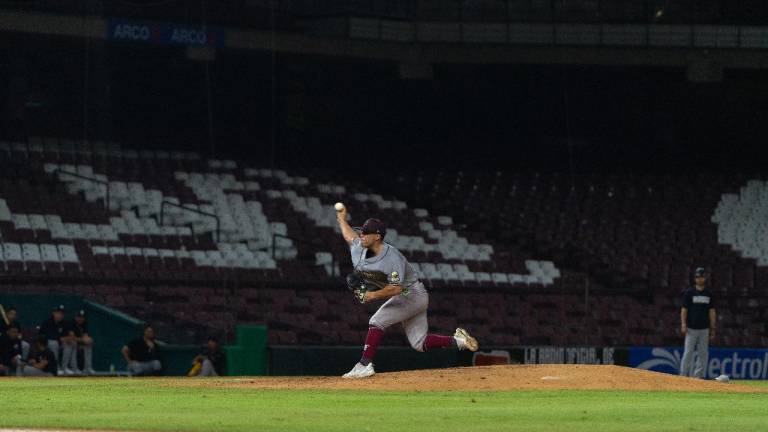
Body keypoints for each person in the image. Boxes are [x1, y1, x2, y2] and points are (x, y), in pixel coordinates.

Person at [336, 207, 479, 379]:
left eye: (366, 233)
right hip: (408, 297)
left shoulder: (392, 258)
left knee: (376, 321)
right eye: (362, 232)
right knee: (420, 343)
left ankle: (364, 365)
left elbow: (396, 288)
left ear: (377, 237)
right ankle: (459, 341)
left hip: (411, 295)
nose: (362, 235)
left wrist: (372, 296)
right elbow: (348, 235)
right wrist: (342, 219)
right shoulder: (358, 246)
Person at [680, 267, 717, 378]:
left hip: (704, 328)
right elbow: (684, 309)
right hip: (691, 328)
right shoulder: (689, 292)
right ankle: (683, 375)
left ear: (704, 278)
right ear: (695, 279)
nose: (699, 279)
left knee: (703, 354)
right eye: (697, 277)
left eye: (701, 277)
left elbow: (712, 311)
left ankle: (698, 376)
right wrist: (683, 324)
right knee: (688, 352)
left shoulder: (708, 293)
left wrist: (713, 327)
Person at [39, 304, 76, 375]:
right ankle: (56, 367)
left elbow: (69, 336)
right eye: (58, 313)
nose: (60, 315)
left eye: (62, 314)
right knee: (54, 343)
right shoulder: (47, 322)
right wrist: (62, 339)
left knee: (70, 343)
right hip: (46, 345)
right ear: (53, 313)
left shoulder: (65, 323)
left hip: (59, 344)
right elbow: (49, 337)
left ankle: (64, 368)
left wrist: (69, 338)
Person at [65, 310, 95, 375]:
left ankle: (87, 368)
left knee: (89, 344)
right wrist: (83, 340)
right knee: (73, 344)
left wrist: (88, 340)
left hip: (79, 342)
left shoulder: (84, 324)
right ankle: (74, 368)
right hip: (67, 342)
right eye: (79, 317)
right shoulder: (71, 323)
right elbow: (72, 337)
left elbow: (85, 336)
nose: (80, 319)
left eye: (82, 317)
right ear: (75, 317)